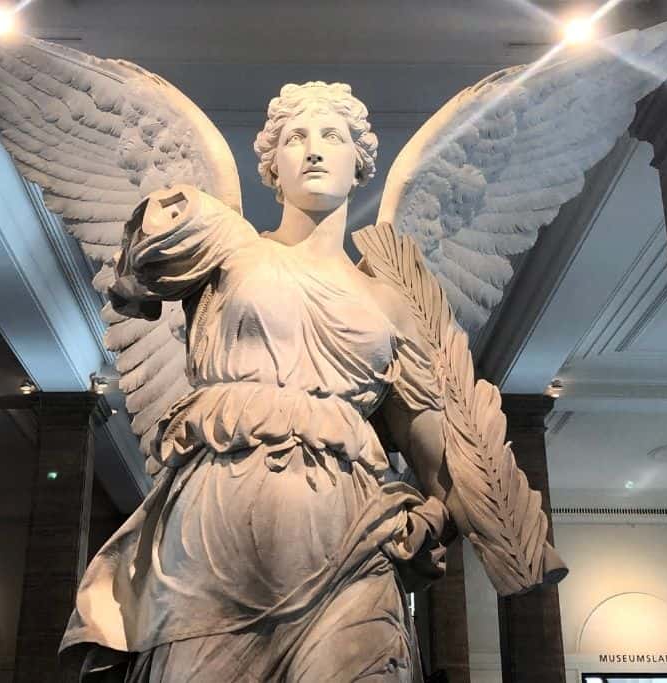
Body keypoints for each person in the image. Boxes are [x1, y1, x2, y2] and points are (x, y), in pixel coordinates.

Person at [62, 82, 466, 682]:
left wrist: (443, 516)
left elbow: (435, 456)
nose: (314, 149)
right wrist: (158, 235)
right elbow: (135, 283)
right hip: (216, 527)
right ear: (271, 166)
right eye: (295, 138)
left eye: (333, 136)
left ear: (360, 163)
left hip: (349, 533)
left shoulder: (392, 300)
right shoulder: (225, 245)